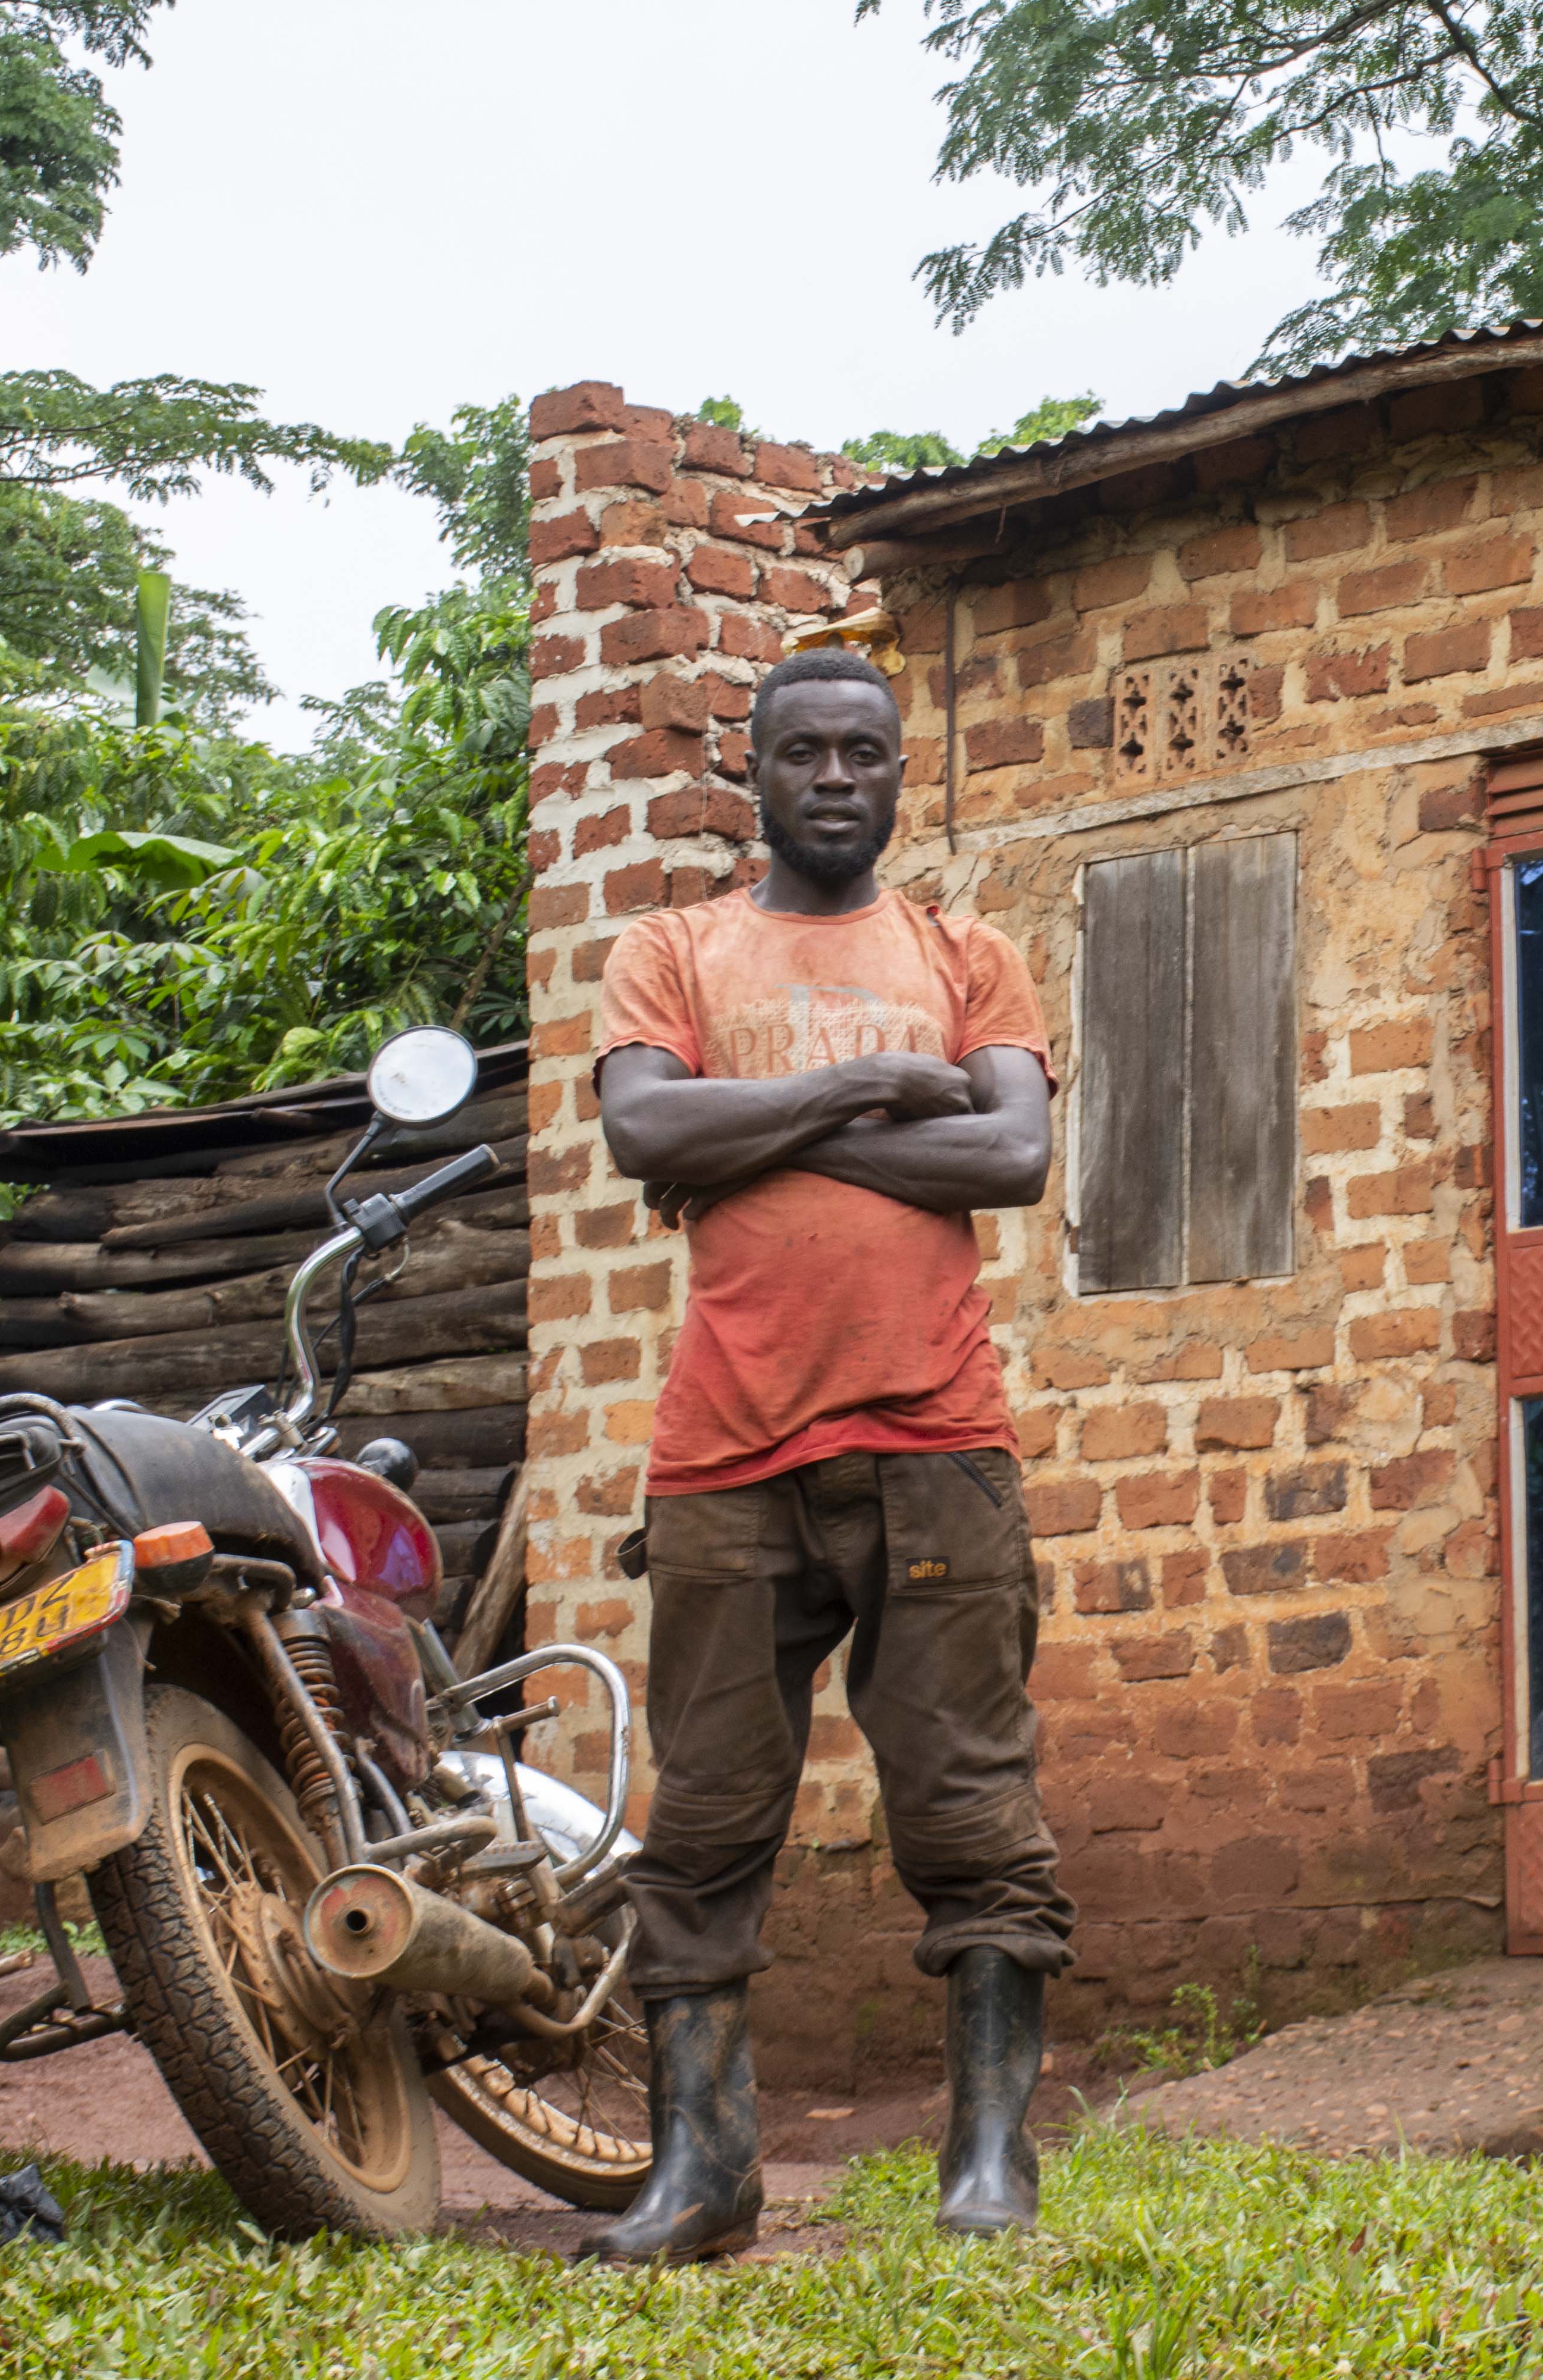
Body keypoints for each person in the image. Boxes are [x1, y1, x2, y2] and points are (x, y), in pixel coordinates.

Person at [578, 644, 1071, 2263]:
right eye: (809, 753)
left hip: (937, 1441)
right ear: (761, 771)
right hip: (727, 1450)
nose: (840, 777)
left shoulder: (967, 952)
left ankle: (988, 2166)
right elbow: (648, 1132)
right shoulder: (676, 947)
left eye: (868, 752)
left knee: (971, 1813)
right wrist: (867, 1086)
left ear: (899, 771)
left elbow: (1007, 1153)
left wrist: (763, 1120)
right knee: (708, 1816)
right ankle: (700, 2175)